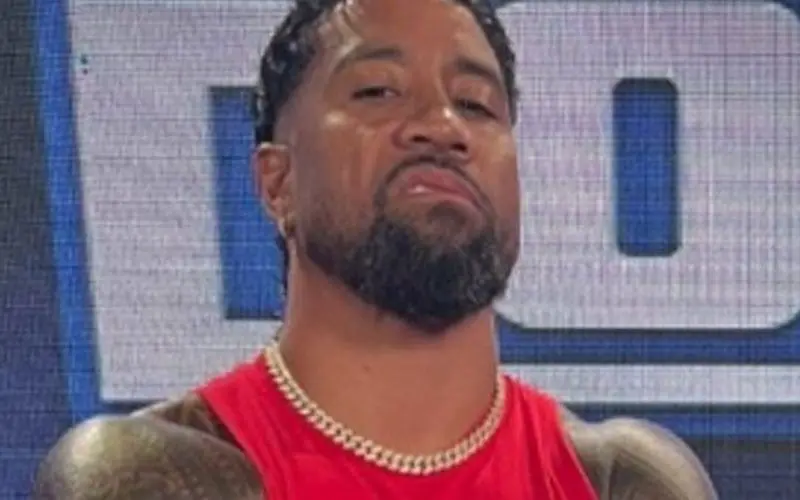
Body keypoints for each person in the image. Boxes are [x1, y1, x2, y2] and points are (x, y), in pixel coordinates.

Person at [34, 0, 718, 498]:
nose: (442, 126)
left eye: (476, 104)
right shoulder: (151, 475)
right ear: (277, 182)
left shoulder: (620, 480)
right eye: (378, 90)